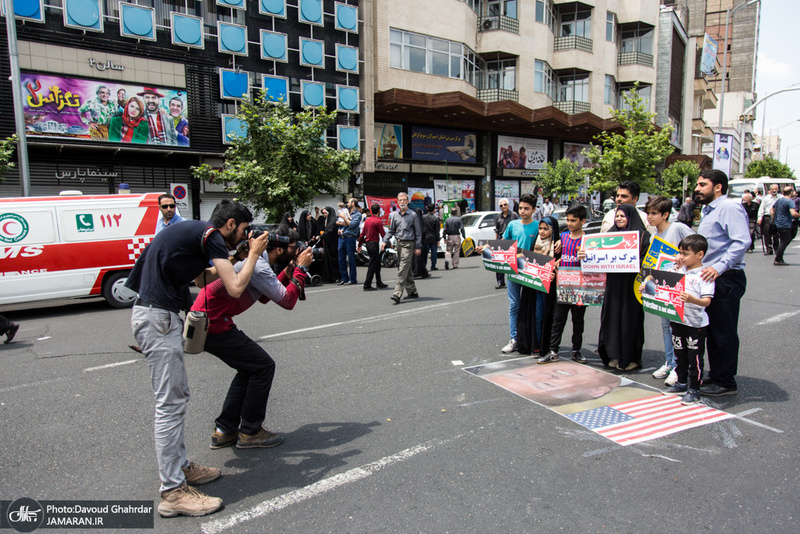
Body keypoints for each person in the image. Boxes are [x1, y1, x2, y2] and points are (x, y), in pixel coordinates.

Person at [125, 199, 270, 518]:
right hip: (157, 318)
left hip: (156, 316)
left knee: (176, 398)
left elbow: (204, 280)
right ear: (230, 224)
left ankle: (180, 468)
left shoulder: (194, 234)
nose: (244, 237)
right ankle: (173, 492)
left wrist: (239, 258)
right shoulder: (211, 236)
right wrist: (255, 256)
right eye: (243, 230)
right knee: (170, 404)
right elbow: (233, 288)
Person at [193, 224, 312, 449]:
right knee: (263, 366)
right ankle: (250, 432)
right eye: (293, 247)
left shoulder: (259, 263)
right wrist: (301, 270)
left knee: (250, 368)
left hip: (212, 321)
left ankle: (225, 430)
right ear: (278, 249)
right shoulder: (258, 265)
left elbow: (265, 296)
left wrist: (286, 273)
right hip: (214, 324)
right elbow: (287, 301)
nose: (296, 252)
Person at [694, 169, 750, 396]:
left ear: (718, 187)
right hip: (710, 276)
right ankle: (716, 373)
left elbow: (741, 242)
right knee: (712, 329)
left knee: (723, 331)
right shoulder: (710, 210)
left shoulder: (729, 208)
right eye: (697, 184)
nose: (697, 188)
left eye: (702, 184)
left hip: (725, 278)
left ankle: (726, 381)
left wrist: (718, 267)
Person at [644, 196, 694, 386]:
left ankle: (680, 367)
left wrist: (683, 257)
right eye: (648, 213)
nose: (650, 217)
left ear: (665, 214)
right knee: (666, 326)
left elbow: (697, 244)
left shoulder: (678, 228)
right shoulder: (654, 236)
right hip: (662, 286)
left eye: (654, 214)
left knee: (678, 327)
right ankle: (670, 361)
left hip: (679, 285)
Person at [661, 234, 715, 405]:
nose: (681, 257)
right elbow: (660, 285)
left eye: (685, 254)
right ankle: (681, 383)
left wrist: (692, 300)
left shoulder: (704, 275)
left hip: (695, 324)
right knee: (680, 354)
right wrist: (647, 289)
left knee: (695, 358)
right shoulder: (677, 271)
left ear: (699, 255)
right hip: (677, 320)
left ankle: (694, 389)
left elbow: (706, 301)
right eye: (680, 253)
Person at [597, 204, 650, 372]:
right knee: (611, 319)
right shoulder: (609, 235)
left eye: (623, 216)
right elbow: (596, 254)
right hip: (613, 285)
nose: (619, 219)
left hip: (631, 286)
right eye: (617, 216)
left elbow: (647, 260)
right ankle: (613, 355)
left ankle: (629, 358)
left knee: (629, 320)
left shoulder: (642, 236)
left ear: (631, 217)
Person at [539, 205, 589, 365]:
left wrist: (588, 255)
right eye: (567, 220)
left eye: (573, 220)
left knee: (578, 321)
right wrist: (556, 264)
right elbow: (557, 258)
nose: (569, 223)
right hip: (563, 286)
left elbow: (595, 264)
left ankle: (576, 351)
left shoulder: (588, 240)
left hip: (580, 287)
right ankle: (553, 351)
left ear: (583, 221)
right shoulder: (563, 238)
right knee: (558, 319)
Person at [516, 216, 560, 356]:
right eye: (540, 228)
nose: (541, 232)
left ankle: (547, 346)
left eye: (545, 229)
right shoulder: (535, 243)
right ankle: (536, 345)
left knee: (550, 317)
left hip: (550, 288)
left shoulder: (557, 246)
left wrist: (554, 273)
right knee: (537, 316)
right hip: (535, 287)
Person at [384, 192, 422, 304]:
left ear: (408, 201)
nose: (402, 202)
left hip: (409, 245)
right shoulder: (394, 215)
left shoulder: (413, 215)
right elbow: (391, 230)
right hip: (399, 244)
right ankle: (412, 291)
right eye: (400, 200)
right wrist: (384, 241)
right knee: (406, 268)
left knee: (402, 269)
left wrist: (418, 246)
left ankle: (397, 293)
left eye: (404, 200)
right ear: (397, 201)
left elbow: (418, 232)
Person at [357, 203, 388, 291]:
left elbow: (362, 234)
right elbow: (383, 234)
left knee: (377, 263)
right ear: (378, 211)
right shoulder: (378, 221)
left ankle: (379, 282)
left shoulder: (367, 220)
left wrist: (359, 245)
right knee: (373, 264)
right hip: (374, 244)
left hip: (368, 243)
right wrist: (386, 242)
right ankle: (367, 284)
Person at [771, 186, 800, 266]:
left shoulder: (779, 200)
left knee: (784, 240)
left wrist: (774, 219)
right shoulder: (790, 201)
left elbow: (772, 210)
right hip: (785, 224)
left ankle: (779, 258)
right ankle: (778, 259)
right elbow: (793, 213)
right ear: (791, 192)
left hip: (778, 223)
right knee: (785, 241)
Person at [494, 199, 519, 289]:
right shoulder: (498, 217)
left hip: (511, 239)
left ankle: (514, 280)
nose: (503, 207)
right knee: (500, 261)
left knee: (511, 261)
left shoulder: (514, 215)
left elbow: (519, 226)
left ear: (508, 205)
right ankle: (500, 281)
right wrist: (496, 241)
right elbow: (496, 229)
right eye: (501, 205)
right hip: (501, 238)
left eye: (505, 204)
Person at [336, 198, 362, 285]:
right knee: (341, 259)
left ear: (353, 203)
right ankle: (344, 278)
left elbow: (352, 224)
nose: (347, 204)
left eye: (349, 202)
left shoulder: (357, 214)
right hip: (341, 237)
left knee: (351, 258)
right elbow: (338, 222)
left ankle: (353, 278)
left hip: (350, 238)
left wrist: (344, 218)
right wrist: (341, 226)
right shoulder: (346, 212)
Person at [757, 184, 782, 255]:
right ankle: (769, 249)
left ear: (778, 189)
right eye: (772, 189)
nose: (774, 190)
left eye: (775, 189)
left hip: (777, 217)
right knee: (767, 233)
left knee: (776, 234)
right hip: (767, 217)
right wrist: (760, 218)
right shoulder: (766, 198)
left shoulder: (781, 197)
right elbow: (761, 208)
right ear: (770, 190)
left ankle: (777, 249)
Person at [320, 206, 340, 283]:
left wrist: (322, 235)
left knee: (334, 260)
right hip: (328, 244)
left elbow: (330, 232)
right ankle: (329, 276)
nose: (325, 215)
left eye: (325, 213)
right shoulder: (327, 221)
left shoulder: (333, 221)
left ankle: (335, 276)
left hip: (333, 244)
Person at [442, 205, 465, 270]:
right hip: (457, 236)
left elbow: (445, 229)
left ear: (451, 212)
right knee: (457, 250)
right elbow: (462, 228)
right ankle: (455, 264)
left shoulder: (447, 220)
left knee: (449, 250)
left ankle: (447, 260)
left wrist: (444, 237)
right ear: (456, 213)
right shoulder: (459, 219)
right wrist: (464, 236)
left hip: (450, 236)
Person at [422, 204, 440, 272]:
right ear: (434, 209)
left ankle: (424, 266)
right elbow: (437, 230)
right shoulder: (435, 219)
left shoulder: (423, 217)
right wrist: (438, 239)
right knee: (434, 253)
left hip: (425, 237)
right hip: (433, 238)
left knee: (425, 253)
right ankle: (433, 266)